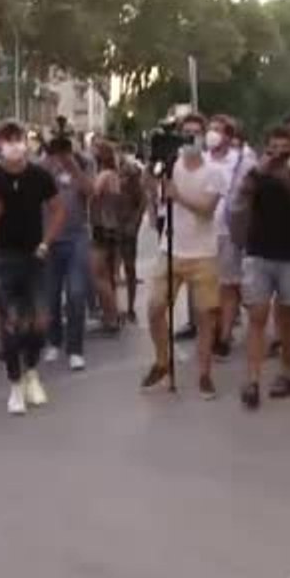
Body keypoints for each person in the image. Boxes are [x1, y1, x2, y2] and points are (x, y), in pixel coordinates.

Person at [0, 121, 64, 415]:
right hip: (2, 257)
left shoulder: (39, 176)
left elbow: (58, 210)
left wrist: (47, 242)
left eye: (18, 139)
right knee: (11, 322)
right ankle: (15, 385)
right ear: (0, 145)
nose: (14, 145)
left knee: (40, 320)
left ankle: (31, 370)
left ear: (26, 142)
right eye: (7, 140)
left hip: (35, 256)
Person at [231, 126, 290, 410]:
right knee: (257, 315)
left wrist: (286, 179)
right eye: (273, 148)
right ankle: (252, 380)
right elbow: (242, 195)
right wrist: (260, 170)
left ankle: (285, 373)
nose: (278, 154)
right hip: (259, 252)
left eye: (283, 148)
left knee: (288, 317)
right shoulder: (258, 173)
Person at [141, 131, 226, 399]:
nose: (189, 141)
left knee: (205, 317)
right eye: (185, 135)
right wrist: (150, 168)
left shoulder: (214, 172)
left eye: (194, 135)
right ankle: (162, 361)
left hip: (203, 253)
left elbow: (207, 210)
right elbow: (150, 187)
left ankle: (204, 374)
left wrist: (177, 196)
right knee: (155, 307)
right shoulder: (171, 165)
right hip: (171, 249)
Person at [40, 136, 94, 371]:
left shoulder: (82, 166)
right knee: (50, 295)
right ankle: (54, 340)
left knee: (76, 293)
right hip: (49, 238)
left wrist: (73, 167)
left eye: (64, 151)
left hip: (76, 238)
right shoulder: (43, 170)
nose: (61, 156)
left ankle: (75, 349)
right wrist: (48, 164)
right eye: (57, 151)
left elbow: (90, 191)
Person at [207, 115, 257, 358]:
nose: (212, 134)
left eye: (218, 130)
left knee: (228, 284)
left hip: (228, 230)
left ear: (228, 136)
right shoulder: (200, 159)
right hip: (202, 232)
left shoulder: (242, 161)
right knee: (210, 285)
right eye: (211, 129)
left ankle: (224, 335)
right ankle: (213, 328)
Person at [89, 140, 124, 334]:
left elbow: (93, 192)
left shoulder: (104, 175)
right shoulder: (114, 174)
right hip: (111, 227)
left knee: (98, 274)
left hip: (102, 227)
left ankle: (112, 315)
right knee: (107, 274)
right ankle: (110, 313)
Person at [116, 145, 147, 324]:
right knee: (111, 269)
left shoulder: (131, 173)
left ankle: (130, 308)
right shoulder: (105, 172)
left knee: (129, 268)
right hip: (110, 227)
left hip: (126, 227)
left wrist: (134, 224)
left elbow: (141, 202)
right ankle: (115, 308)